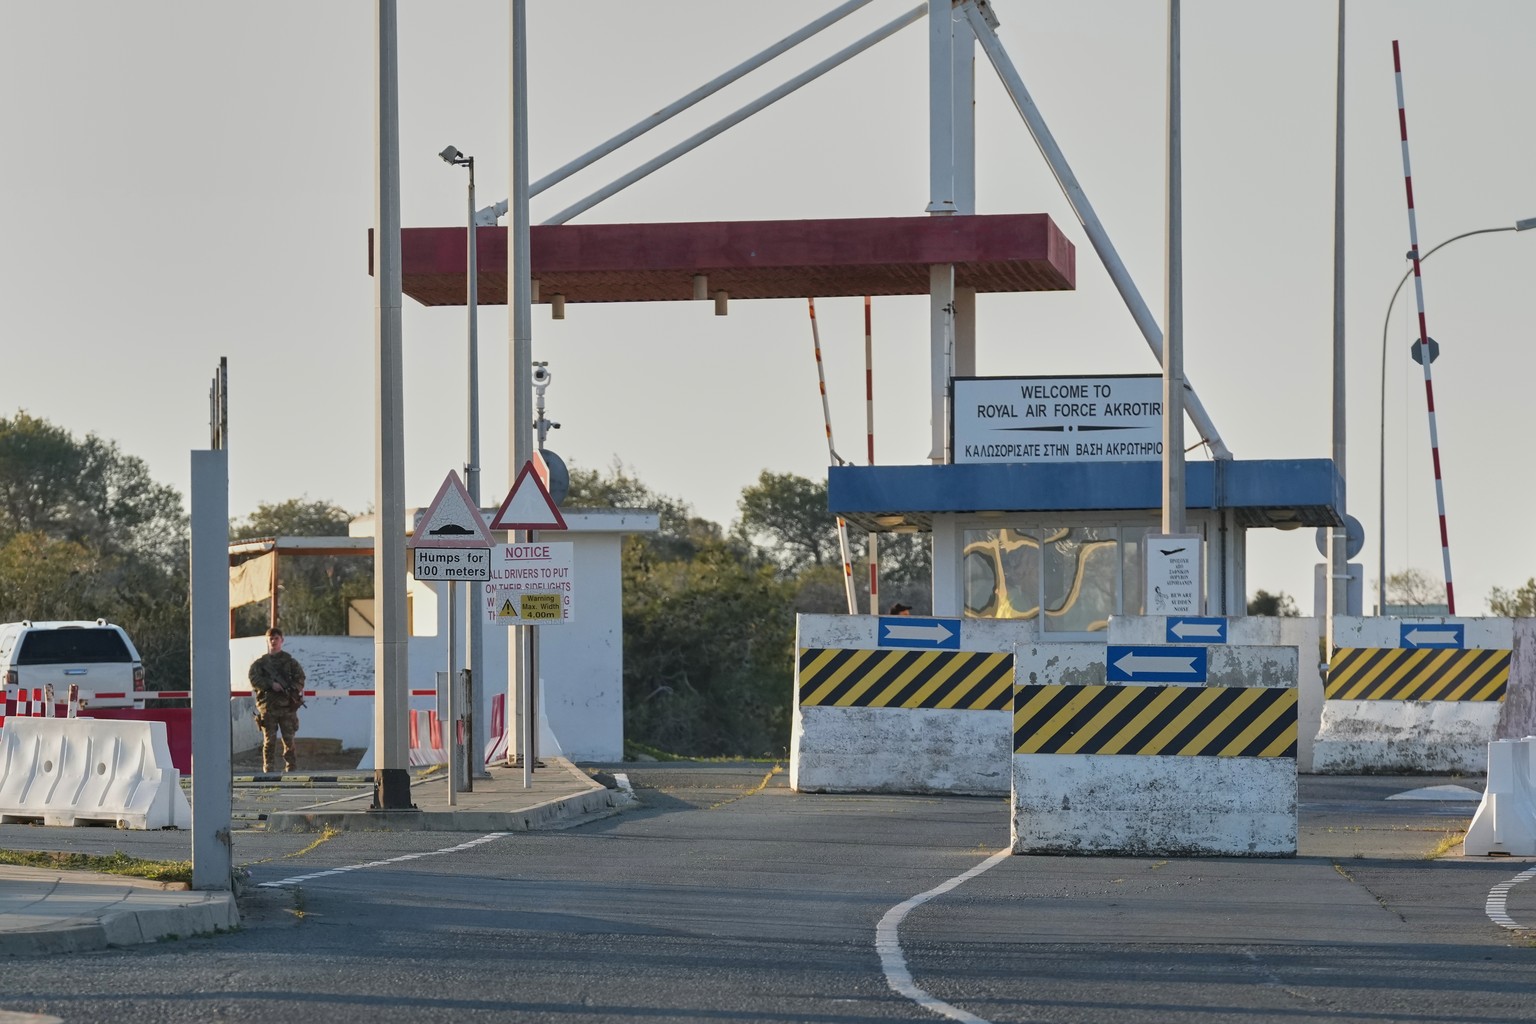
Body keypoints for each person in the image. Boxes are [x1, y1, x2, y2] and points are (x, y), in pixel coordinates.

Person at [249, 627, 306, 773]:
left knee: (289, 739)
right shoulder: (260, 664)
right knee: (269, 740)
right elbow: (254, 679)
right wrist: (270, 685)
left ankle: (291, 767)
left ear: (282, 640)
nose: (274, 641)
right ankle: (269, 768)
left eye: (276, 638)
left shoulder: (290, 662)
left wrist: (291, 689)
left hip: (287, 707)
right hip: (268, 707)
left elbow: (300, 678)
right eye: (271, 638)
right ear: (267, 641)